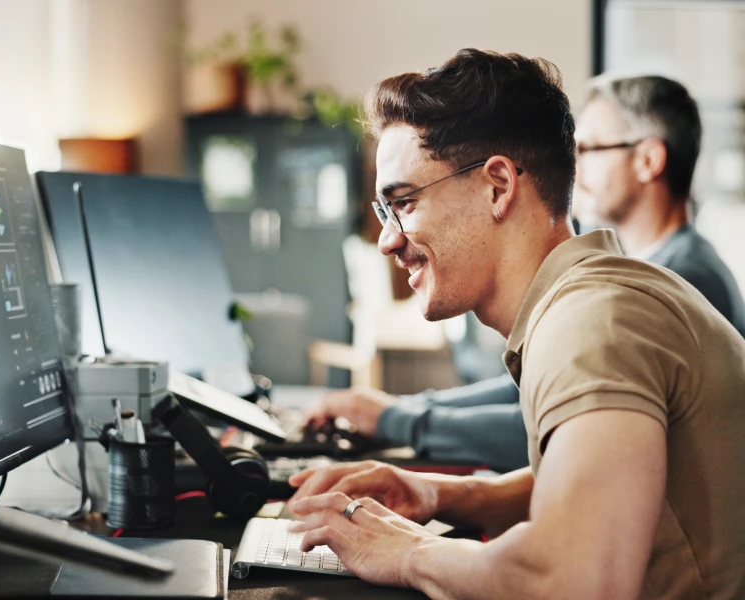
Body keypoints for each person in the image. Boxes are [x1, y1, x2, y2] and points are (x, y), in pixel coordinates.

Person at [288, 49, 745, 599]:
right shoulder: (591, 299)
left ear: (498, 186)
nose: (388, 239)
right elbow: (600, 482)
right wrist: (439, 494)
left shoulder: (592, 321)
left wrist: (409, 553)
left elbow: (577, 579)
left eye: (403, 203)